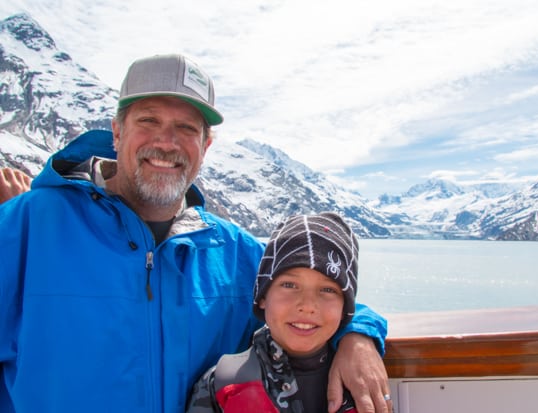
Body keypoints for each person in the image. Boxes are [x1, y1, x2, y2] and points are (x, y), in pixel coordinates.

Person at [0, 54, 390, 413]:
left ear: (205, 146)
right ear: (117, 133)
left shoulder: (232, 251)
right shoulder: (27, 226)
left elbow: (314, 288)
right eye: (149, 121)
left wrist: (358, 336)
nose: (166, 142)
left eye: (185, 128)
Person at [187, 212, 369, 413]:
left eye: (327, 290)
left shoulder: (362, 383)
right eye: (289, 285)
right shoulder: (222, 384)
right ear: (263, 296)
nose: (307, 305)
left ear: (346, 308)